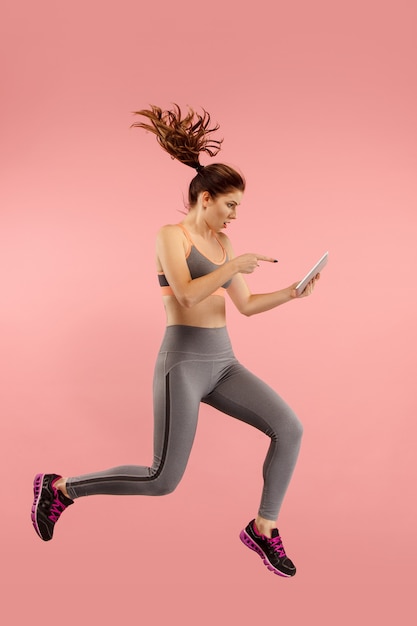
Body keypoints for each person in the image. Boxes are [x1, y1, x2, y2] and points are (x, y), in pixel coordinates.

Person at [31, 104, 320, 577]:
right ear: (205, 198)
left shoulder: (224, 245)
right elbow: (185, 295)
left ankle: (263, 529)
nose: (234, 216)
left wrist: (293, 291)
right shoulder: (171, 236)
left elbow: (244, 306)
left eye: (238, 208)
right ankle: (60, 488)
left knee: (289, 429)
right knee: (162, 479)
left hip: (223, 362)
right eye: (230, 205)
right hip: (182, 363)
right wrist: (231, 268)